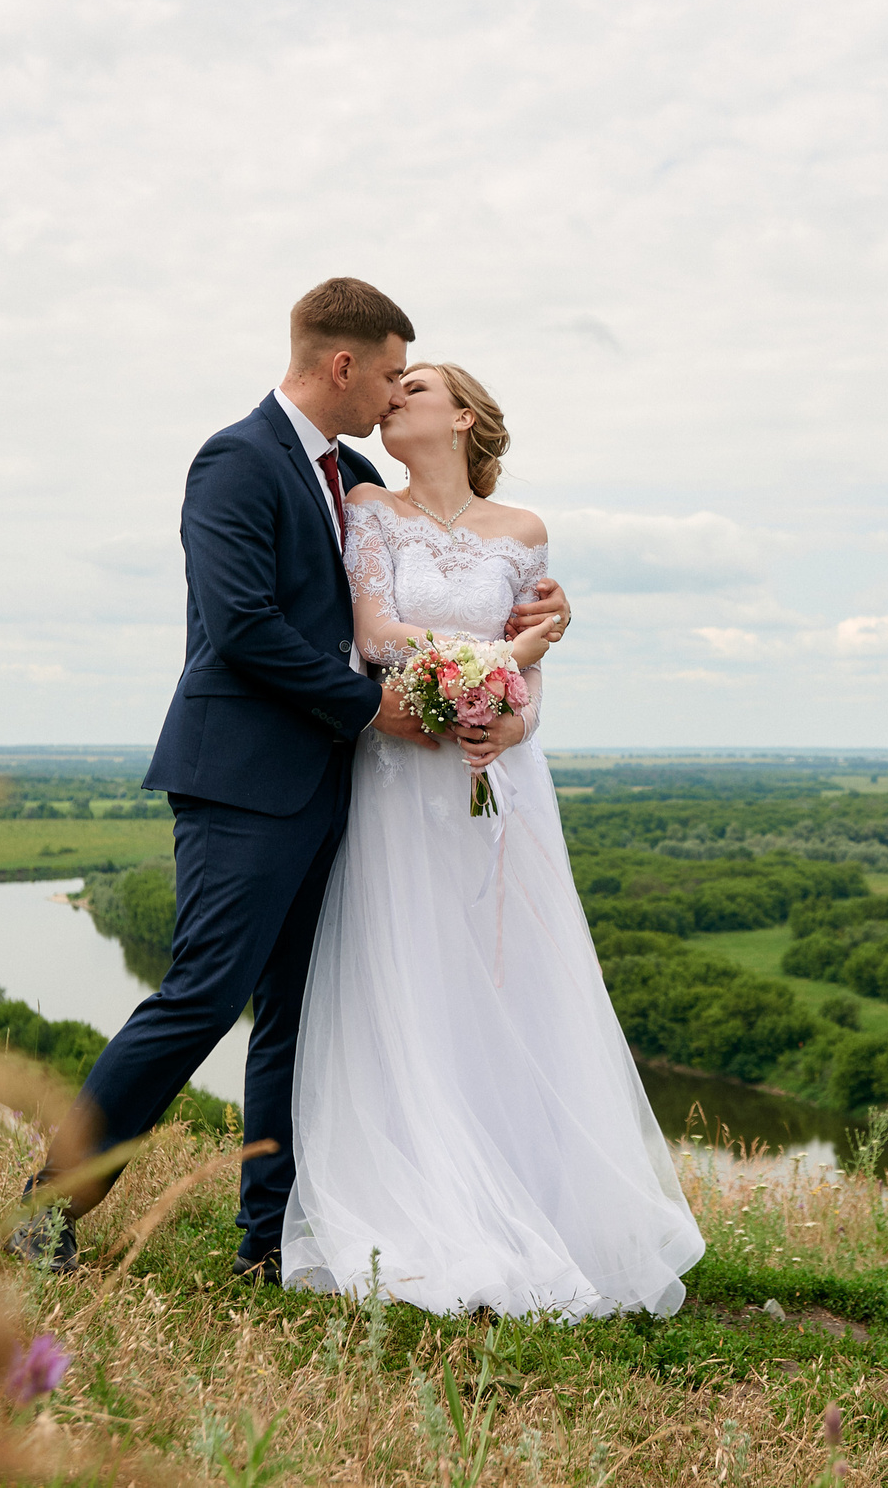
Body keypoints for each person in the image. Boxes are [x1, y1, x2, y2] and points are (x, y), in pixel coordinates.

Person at [14, 278, 573, 1277]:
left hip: (337, 789)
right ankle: (45, 1211)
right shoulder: (236, 460)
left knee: (295, 1016)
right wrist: (378, 709)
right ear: (343, 364)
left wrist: (533, 628)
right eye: (392, 373)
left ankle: (265, 1243)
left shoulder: (353, 474)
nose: (395, 393)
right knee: (197, 995)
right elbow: (243, 628)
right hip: (241, 776)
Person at [278, 361, 705, 1317]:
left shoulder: (525, 533)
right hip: (401, 774)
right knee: (413, 965)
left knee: (508, 976)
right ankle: (426, 1201)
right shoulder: (370, 511)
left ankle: (533, 1197)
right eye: (392, 387)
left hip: (497, 778)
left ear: (463, 415)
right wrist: (507, 658)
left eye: (416, 388)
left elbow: (536, 694)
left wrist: (512, 717)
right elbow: (378, 633)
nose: (395, 399)